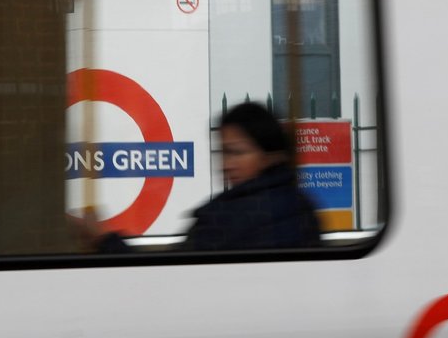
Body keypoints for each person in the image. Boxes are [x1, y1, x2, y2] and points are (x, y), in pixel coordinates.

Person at [88, 102, 322, 252]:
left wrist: (104, 240)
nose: (226, 164)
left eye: (237, 152)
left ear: (269, 156)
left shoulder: (227, 218)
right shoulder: (302, 206)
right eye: (223, 152)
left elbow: (163, 280)